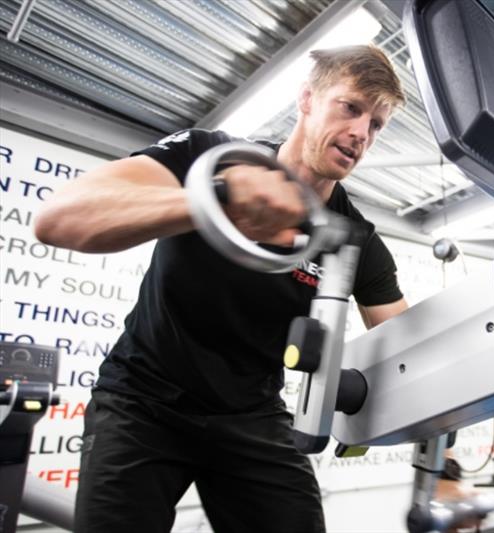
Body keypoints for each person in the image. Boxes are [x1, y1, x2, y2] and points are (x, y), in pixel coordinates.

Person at [34, 45, 408, 533]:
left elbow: (409, 350)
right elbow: (58, 219)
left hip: (252, 417)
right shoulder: (209, 156)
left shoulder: (355, 237)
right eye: (351, 107)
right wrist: (214, 199)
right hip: (142, 402)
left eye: (376, 124)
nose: (361, 133)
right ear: (308, 100)